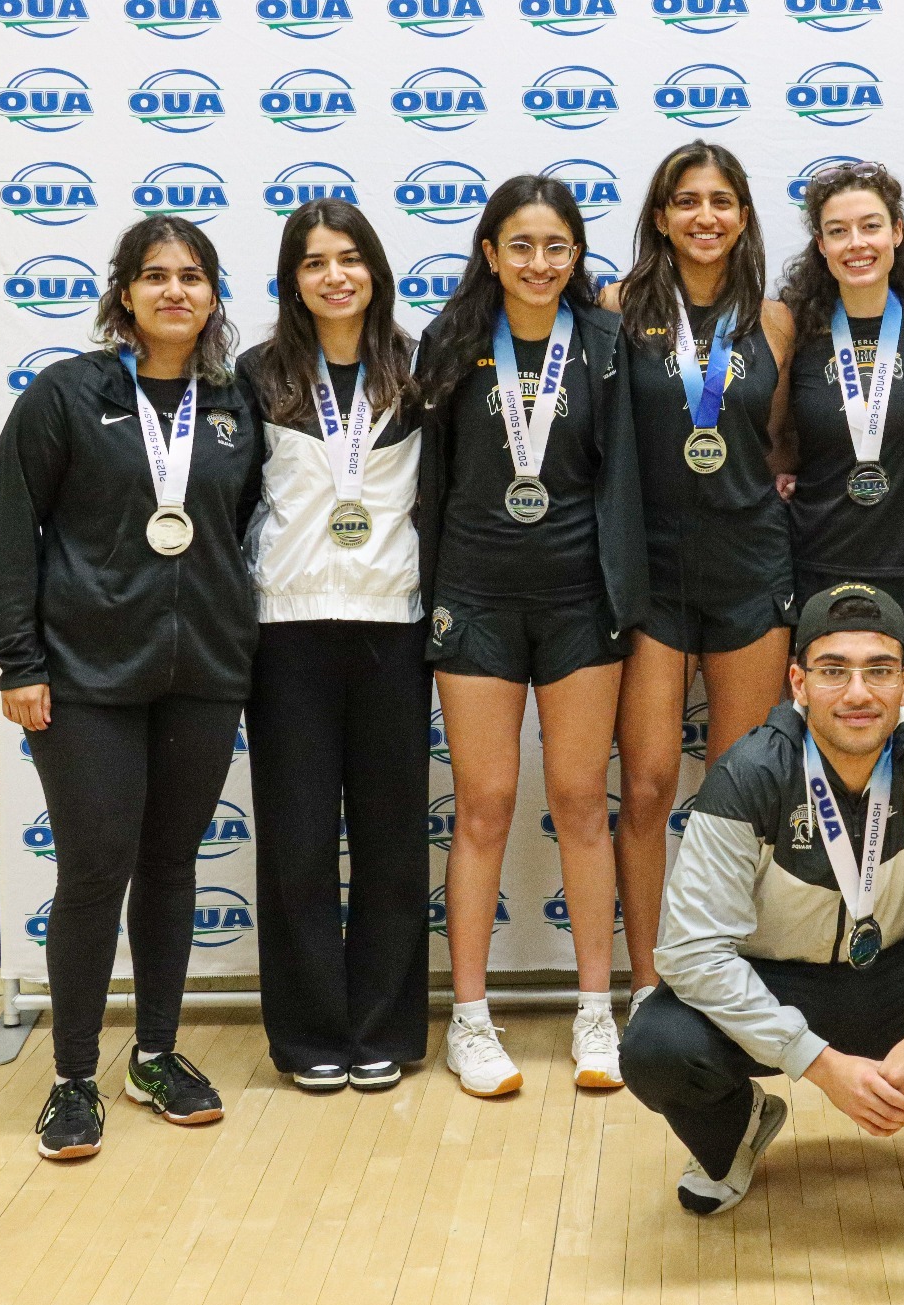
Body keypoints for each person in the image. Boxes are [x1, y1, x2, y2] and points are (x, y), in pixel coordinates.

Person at [622, 584, 904, 1223]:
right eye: (834, 671)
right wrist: (816, 1062)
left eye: (879, 672)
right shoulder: (749, 773)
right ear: (799, 683)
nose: (859, 693)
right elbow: (692, 951)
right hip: (779, 981)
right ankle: (738, 1128)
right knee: (655, 1047)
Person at [0, 216, 258, 1160]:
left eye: (192, 276)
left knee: (172, 863)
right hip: (86, 675)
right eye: (154, 276)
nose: (174, 290)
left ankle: (157, 1054)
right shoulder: (66, 395)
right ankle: (69, 1077)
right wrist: (18, 660)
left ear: (214, 294)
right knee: (98, 866)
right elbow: (12, 527)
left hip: (205, 671)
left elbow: (249, 525)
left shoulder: (235, 403)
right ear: (124, 294)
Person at [416, 175, 645, 1097]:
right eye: (521, 246)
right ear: (489, 254)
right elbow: (427, 479)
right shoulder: (453, 341)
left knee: (585, 802)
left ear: (577, 255)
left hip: (580, 603)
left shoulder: (605, 343)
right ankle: (469, 1020)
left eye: (557, 247)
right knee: (483, 806)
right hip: (472, 600)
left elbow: (623, 472)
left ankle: (598, 1006)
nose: (540, 263)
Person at [601, 141, 797, 1018]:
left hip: (751, 569)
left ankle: (721, 975)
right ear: (660, 216)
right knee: (645, 784)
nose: (704, 217)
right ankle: (646, 982)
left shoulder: (777, 320)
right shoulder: (617, 308)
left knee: (732, 791)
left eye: (721, 201)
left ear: (744, 216)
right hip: (651, 576)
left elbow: (779, 443)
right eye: (686, 201)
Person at [238, 200, 429, 1094]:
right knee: (300, 840)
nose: (335, 276)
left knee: (392, 839)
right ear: (293, 278)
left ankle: (384, 1022)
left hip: (394, 624)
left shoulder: (420, 370)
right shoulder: (257, 374)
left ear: (376, 270)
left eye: (350, 259)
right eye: (314, 262)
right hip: (288, 629)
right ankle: (311, 1030)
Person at [776, 163, 904, 711]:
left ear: (897, 232)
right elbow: (772, 428)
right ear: (821, 244)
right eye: (838, 230)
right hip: (820, 566)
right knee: (824, 760)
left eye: (871, 226)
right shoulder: (797, 324)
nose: (857, 243)